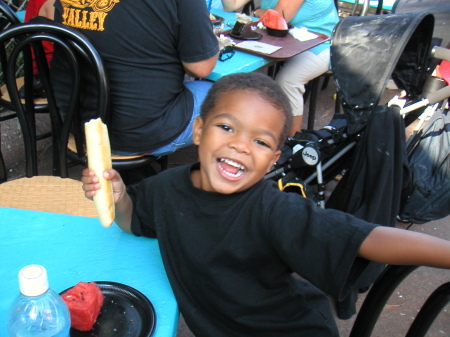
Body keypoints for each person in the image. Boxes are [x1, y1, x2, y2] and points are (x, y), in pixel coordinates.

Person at [82, 72, 450, 336]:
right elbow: (137, 223)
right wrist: (121, 199)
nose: (241, 145)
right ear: (198, 130)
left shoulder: (275, 211)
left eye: (260, 141)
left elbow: (366, 237)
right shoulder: (164, 188)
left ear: (273, 160)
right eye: (227, 127)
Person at [42, 0, 219, 156]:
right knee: (227, 95)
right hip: (136, 136)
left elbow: (45, 12)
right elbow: (201, 67)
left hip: (73, 123)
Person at [222, 0, 339, 136]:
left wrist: (256, 11)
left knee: (288, 81)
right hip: (280, 38)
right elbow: (231, 5)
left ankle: (293, 143)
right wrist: (259, 12)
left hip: (322, 42)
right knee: (234, 59)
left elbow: (279, 17)